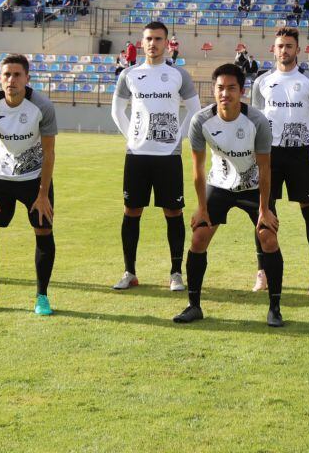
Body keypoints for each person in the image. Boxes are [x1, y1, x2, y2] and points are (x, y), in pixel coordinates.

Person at [173, 64, 284, 327]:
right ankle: (193, 305)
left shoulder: (257, 121)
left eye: (231, 88)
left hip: (253, 186)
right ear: (214, 91)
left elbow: (266, 168)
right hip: (220, 185)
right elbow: (198, 169)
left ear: (242, 91)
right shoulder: (201, 121)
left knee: (268, 237)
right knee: (199, 237)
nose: (225, 94)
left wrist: (265, 209)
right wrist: (201, 208)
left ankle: (275, 309)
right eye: (220, 88)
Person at [110, 22, 200, 292]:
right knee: (131, 211)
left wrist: (177, 139)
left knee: (173, 211)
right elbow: (117, 111)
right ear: (142, 41)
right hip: (137, 156)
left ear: (167, 43)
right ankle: (129, 272)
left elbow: (194, 111)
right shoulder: (129, 74)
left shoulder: (178, 75)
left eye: (158, 39)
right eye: (148, 39)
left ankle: (175, 273)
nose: (153, 44)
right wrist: (132, 139)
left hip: (168, 156)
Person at [0, 54, 58, 316]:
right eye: (6, 75)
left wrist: (43, 195)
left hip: (34, 179)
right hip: (1, 178)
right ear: (0, 78)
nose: (11, 80)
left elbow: (50, 154)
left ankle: (42, 297)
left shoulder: (42, 106)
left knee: (43, 232)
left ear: (27, 79)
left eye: (17, 75)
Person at [251, 27, 309, 296]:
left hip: (299, 154)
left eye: (289, 46)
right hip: (269, 155)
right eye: (280, 46)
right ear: (274, 49)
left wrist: (303, 139)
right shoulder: (262, 82)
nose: (284, 50)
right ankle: (263, 272)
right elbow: (256, 119)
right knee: (264, 211)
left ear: (297, 49)